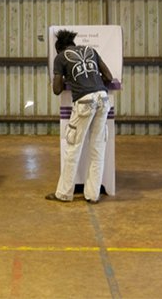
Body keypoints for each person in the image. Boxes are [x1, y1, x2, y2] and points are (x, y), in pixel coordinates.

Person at [46, 29, 113, 204]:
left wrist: (66, 77)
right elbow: (109, 76)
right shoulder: (91, 50)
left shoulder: (60, 57)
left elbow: (56, 90)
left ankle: (64, 193)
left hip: (84, 103)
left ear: (59, 48)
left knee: (73, 148)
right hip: (103, 99)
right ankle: (92, 195)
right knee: (97, 149)